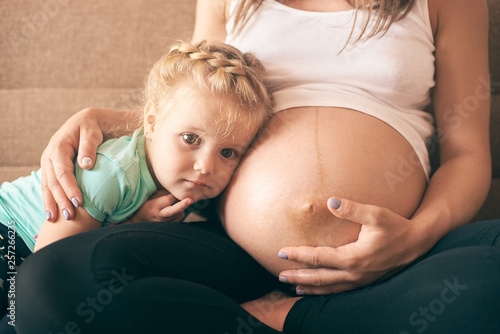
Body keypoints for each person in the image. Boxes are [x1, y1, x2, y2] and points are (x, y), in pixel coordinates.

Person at [15, 0, 500, 333]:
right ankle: (295, 317)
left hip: (400, 258)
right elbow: (194, 102)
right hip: (234, 256)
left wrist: (414, 239)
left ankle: (285, 317)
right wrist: (103, 119)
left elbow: (467, 152)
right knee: (51, 285)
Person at [0, 39, 272, 331]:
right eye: (190, 139)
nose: (206, 167)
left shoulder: (185, 182)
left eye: (227, 152)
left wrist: (138, 221)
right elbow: (50, 270)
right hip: (15, 238)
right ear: (152, 122)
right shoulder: (111, 172)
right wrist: (134, 221)